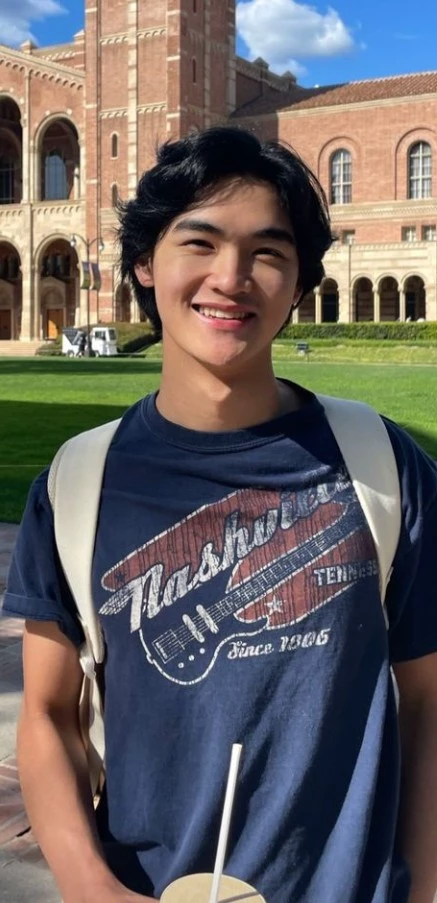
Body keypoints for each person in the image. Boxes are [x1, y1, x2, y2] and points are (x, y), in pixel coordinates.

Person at [3, 126, 437, 903]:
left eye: (267, 252)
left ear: (299, 279)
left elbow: (429, 702)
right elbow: (47, 713)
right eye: (199, 242)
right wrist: (91, 886)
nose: (231, 278)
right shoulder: (77, 485)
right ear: (145, 261)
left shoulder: (382, 467)